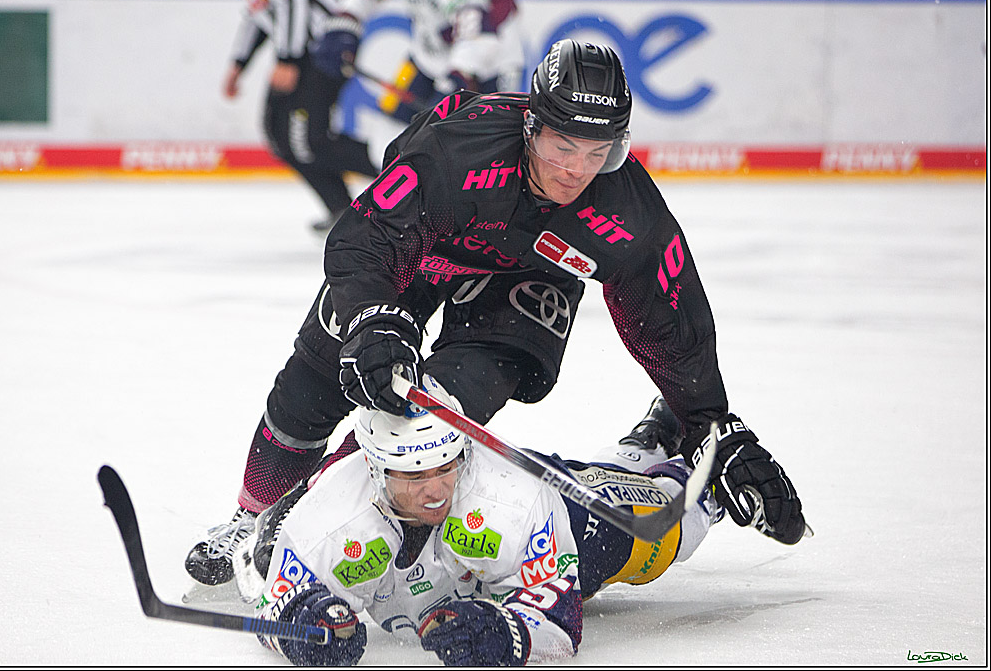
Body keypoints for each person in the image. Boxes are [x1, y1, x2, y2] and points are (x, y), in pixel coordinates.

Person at [185, 39, 807, 588]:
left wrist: (708, 423)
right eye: (563, 146)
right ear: (532, 127)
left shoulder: (627, 209)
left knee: (435, 409)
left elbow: (675, 320)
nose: (576, 171)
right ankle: (249, 515)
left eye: (599, 153)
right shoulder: (458, 147)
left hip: (531, 279)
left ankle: (309, 511)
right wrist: (373, 317)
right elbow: (366, 235)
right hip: (424, 250)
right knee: (323, 369)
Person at [234, 375, 724, 665]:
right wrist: (302, 628)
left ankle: (684, 466)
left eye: (446, 466)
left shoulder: (514, 499)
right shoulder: (328, 519)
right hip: (466, 574)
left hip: (563, 510)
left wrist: (507, 634)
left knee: (659, 534)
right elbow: (273, 607)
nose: (434, 490)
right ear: (374, 466)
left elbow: (561, 617)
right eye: (413, 474)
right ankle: (643, 442)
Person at [224, 0, 380, 233]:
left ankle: (394, 167)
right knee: (280, 136)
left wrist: (288, 59)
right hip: (301, 52)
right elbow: (260, 11)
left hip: (322, 50)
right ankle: (342, 209)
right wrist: (239, 63)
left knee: (308, 141)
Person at [371, 0, 525, 124]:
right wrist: (348, 26)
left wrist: (454, 81)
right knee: (387, 124)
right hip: (426, 59)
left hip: (490, 68)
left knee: (488, 142)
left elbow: (479, 37)